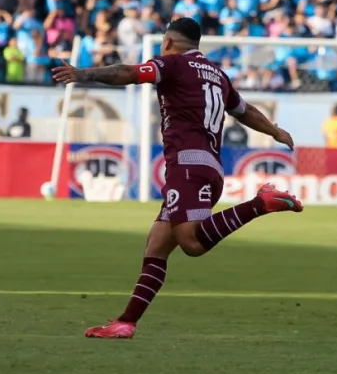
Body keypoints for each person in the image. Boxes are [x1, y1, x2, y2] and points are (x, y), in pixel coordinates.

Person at [50, 17, 303, 339]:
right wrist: (275, 131)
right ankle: (125, 323)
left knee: (192, 243)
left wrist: (83, 74)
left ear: (168, 41)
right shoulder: (217, 75)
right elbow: (245, 111)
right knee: (157, 245)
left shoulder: (172, 64)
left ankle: (261, 203)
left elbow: (128, 72)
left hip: (186, 165)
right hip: (210, 167)